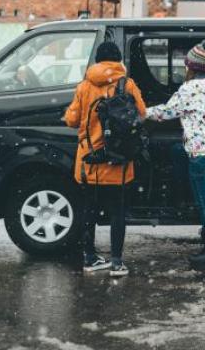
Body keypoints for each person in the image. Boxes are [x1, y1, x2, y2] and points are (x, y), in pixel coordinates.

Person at [145, 39, 205, 267]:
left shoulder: (189, 89)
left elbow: (165, 113)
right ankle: (179, 196)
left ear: (192, 66)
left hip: (202, 153)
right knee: (176, 150)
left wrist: (140, 112)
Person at [63, 41, 146, 277]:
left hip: (90, 162)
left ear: (97, 61)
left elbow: (71, 119)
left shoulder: (84, 86)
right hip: (118, 161)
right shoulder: (127, 84)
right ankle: (117, 262)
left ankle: (90, 258)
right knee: (118, 212)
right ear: (118, 60)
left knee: (89, 211)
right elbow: (142, 114)